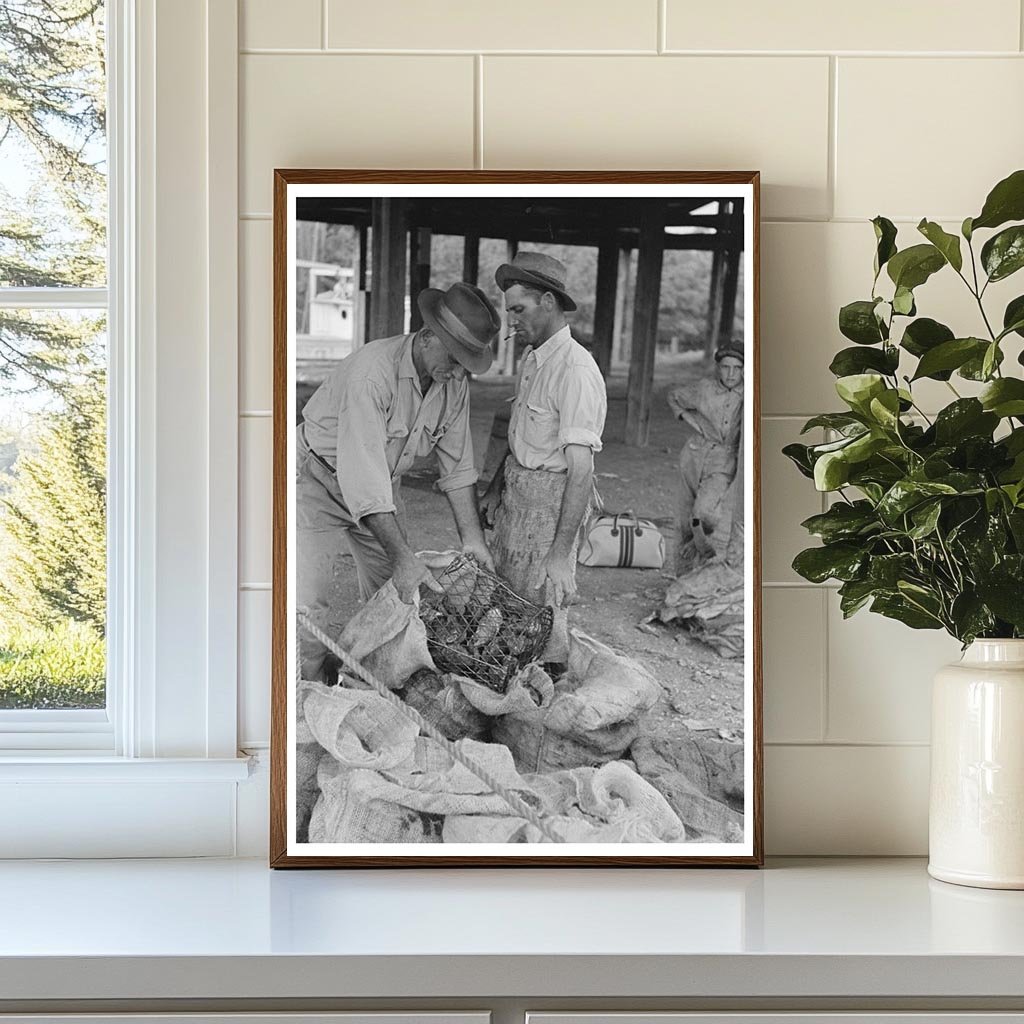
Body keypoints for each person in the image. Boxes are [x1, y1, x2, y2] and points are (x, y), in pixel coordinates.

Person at [297, 281, 500, 680]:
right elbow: (362, 477)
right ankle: (307, 695)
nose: (457, 370)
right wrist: (404, 557)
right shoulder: (371, 376)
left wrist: (473, 540)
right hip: (315, 481)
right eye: (454, 357)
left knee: (398, 593)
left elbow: (457, 469)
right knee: (308, 603)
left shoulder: (451, 383)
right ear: (426, 337)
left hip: (381, 486)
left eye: (465, 363)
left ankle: (370, 680)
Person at [480, 251, 607, 662]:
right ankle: (503, 687)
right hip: (518, 501)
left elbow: (582, 470)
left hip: (550, 511)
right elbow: (519, 438)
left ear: (548, 302)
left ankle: (539, 697)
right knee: (507, 602)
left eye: (519, 309)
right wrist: (495, 490)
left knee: (542, 616)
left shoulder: (575, 370)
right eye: (509, 310)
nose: (511, 320)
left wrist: (558, 556)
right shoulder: (534, 359)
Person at [667, 342, 744, 573]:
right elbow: (674, 397)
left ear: (744, 370)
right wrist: (688, 420)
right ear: (718, 368)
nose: (731, 374)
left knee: (704, 513)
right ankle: (682, 575)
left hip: (724, 458)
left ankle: (698, 544)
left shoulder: (748, 394)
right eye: (725, 367)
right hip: (693, 454)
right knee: (684, 516)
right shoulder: (704, 388)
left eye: (737, 368)